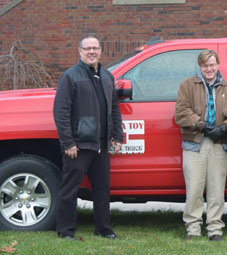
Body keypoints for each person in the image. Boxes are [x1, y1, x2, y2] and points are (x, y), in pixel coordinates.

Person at [53, 34, 123, 240]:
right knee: (69, 189)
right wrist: (68, 142)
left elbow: (115, 109)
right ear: (80, 51)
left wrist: (117, 136)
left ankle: (103, 229)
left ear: (101, 50)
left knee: (102, 189)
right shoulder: (70, 77)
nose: (92, 52)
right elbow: (61, 112)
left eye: (95, 48)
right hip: (79, 145)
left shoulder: (107, 76)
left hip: (101, 144)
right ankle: (65, 231)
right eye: (87, 48)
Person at [174, 49, 227, 242]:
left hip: (219, 144)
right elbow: (181, 113)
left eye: (212, 65)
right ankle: (193, 228)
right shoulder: (187, 85)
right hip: (195, 143)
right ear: (200, 66)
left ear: (218, 65)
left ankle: (215, 228)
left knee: (217, 189)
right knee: (194, 188)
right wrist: (203, 125)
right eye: (205, 65)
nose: (209, 69)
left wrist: (225, 128)